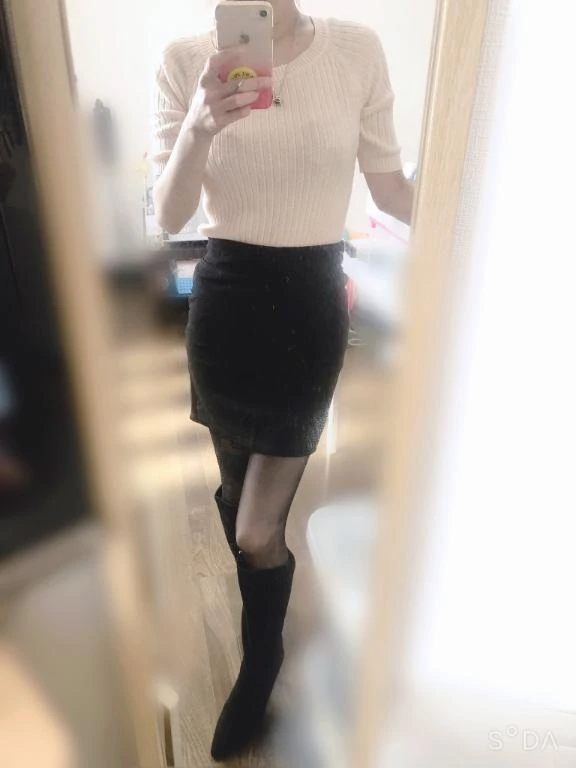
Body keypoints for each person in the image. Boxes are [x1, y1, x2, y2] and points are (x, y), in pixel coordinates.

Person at [151, 0, 414, 760]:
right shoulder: (184, 61)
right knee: (237, 497)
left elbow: (392, 190)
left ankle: (261, 661)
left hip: (308, 311)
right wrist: (201, 124)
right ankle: (260, 617)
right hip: (226, 308)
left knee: (256, 529)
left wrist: (475, 210)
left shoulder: (356, 51)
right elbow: (169, 213)